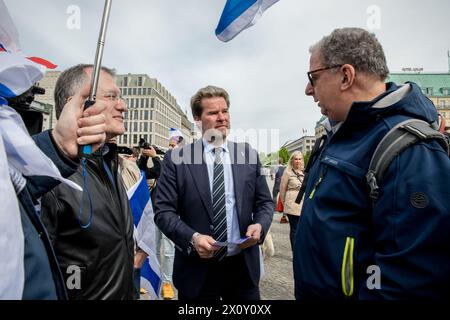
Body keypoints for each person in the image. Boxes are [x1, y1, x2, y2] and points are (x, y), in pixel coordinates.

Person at [294, 27, 450, 300]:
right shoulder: (339, 133)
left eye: (314, 77)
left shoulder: (410, 149)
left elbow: (411, 282)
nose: (308, 89)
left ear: (345, 75)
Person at [154, 85, 274, 300]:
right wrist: (193, 238)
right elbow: (163, 211)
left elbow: (265, 203)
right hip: (197, 271)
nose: (222, 118)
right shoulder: (177, 159)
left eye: (225, 111)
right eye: (213, 113)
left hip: (242, 269)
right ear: (197, 119)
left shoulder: (248, 155)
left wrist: (260, 225)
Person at [40, 64, 137, 300]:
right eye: (111, 97)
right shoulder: (47, 176)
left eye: (120, 97)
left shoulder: (109, 162)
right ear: (77, 103)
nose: (123, 106)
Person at [279, 151, 304, 252]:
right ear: (292, 160)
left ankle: (300, 250)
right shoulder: (287, 172)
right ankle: (295, 252)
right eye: (296, 159)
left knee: (301, 229)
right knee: (294, 229)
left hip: (303, 204)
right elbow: (282, 190)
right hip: (292, 204)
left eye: (299, 159)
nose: (297, 161)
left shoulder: (304, 172)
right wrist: (286, 203)